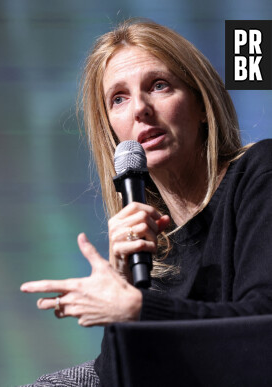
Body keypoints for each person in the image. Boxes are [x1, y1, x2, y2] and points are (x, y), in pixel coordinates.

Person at [20, 18, 272, 386]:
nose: (140, 108)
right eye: (118, 98)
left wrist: (137, 310)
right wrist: (122, 280)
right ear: (111, 130)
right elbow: (118, 378)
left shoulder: (258, 173)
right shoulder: (151, 240)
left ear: (201, 103)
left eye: (159, 86)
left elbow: (263, 326)